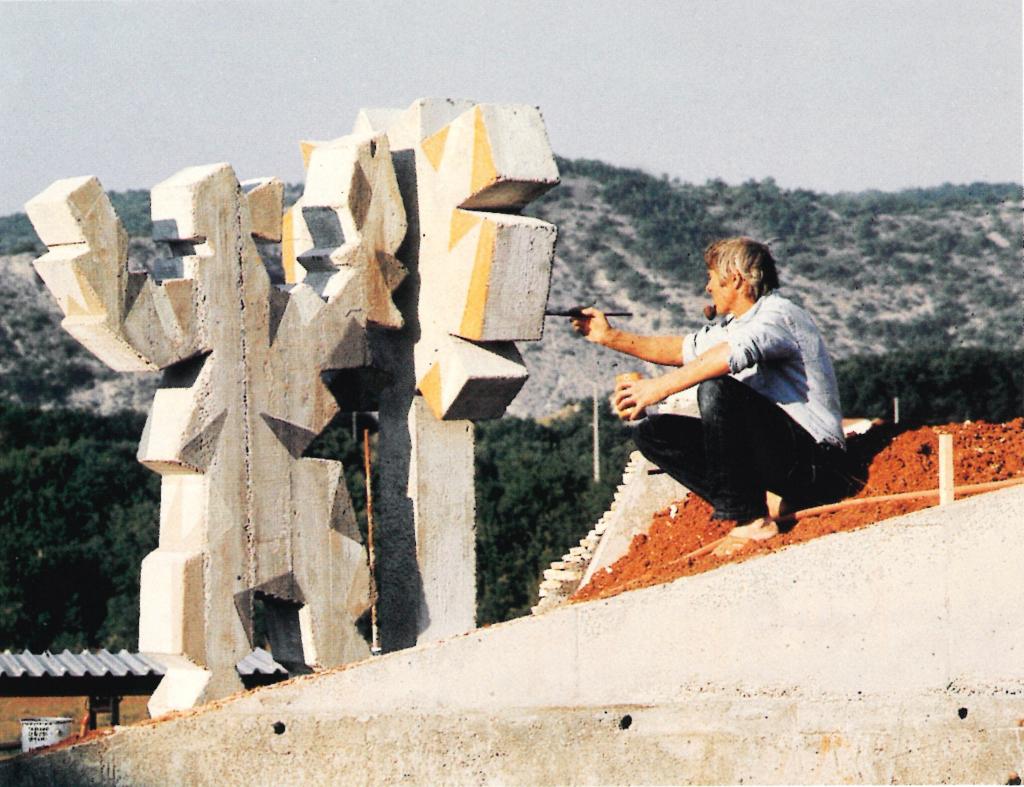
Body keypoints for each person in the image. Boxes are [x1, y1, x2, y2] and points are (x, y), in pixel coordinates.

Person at [572, 237, 851, 554]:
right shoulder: (736, 325)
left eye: (711, 278)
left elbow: (728, 355)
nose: (708, 288)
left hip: (817, 462)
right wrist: (609, 336)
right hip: (781, 461)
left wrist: (657, 388)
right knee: (653, 433)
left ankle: (752, 521)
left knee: (717, 387)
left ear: (734, 279)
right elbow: (681, 349)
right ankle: (766, 500)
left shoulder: (779, 315)